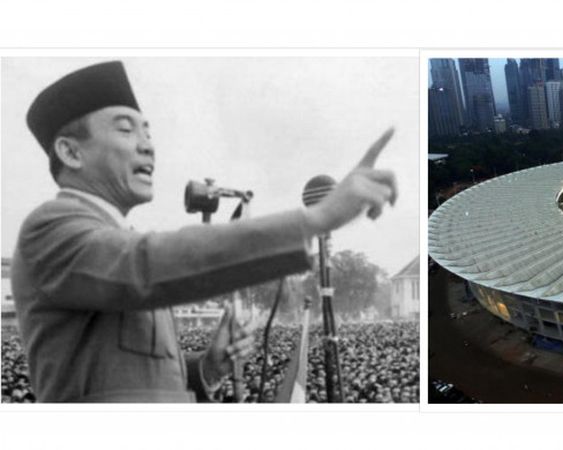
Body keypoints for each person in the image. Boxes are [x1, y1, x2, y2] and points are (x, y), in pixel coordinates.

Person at [11, 61, 397, 402]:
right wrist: (313, 219)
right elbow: (144, 264)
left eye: (149, 132)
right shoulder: (50, 231)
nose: (148, 147)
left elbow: (137, 384)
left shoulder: (116, 240)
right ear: (71, 152)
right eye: (127, 131)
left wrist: (209, 367)